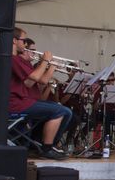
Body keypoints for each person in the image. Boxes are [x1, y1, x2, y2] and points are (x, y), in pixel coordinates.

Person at [9, 28, 72, 160]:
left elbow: (33, 81)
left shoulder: (15, 60)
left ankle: (41, 145)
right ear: (14, 40)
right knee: (61, 111)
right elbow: (39, 79)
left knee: (64, 111)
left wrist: (50, 65)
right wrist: (46, 61)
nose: (25, 44)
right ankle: (47, 148)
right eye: (24, 41)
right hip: (17, 103)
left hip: (21, 101)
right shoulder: (13, 59)